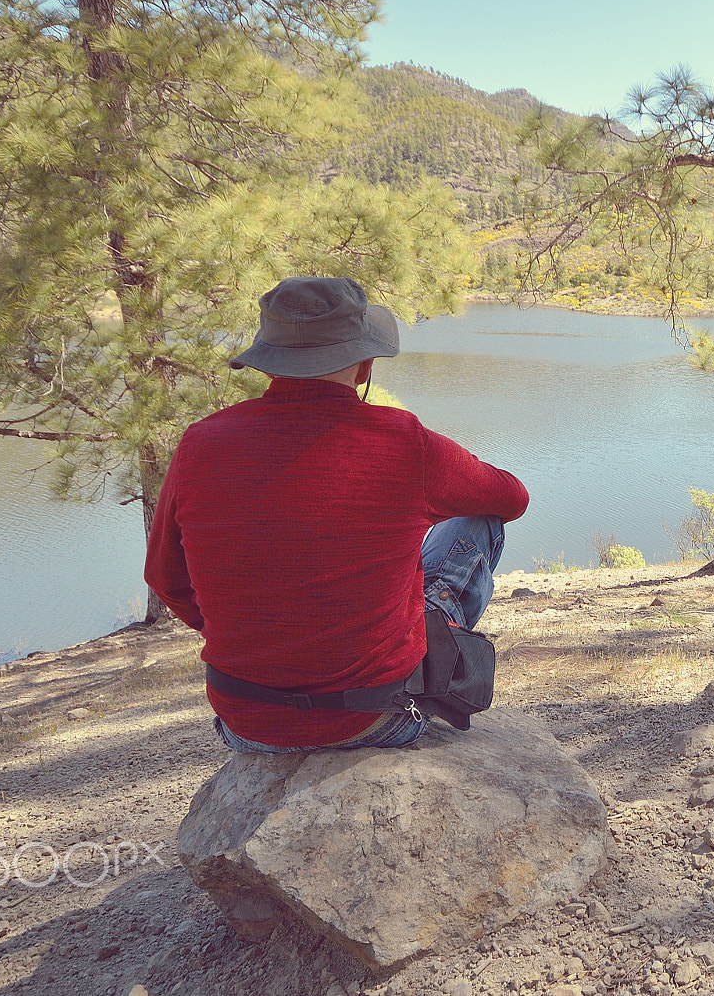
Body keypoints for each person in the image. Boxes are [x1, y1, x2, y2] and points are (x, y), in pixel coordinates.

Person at [143, 276, 528, 753]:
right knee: (477, 522)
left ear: (268, 364)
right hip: (377, 717)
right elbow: (511, 499)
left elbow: (165, 578)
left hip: (247, 724)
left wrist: (257, 633)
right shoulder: (402, 441)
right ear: (365, 367)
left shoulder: (200, 442)